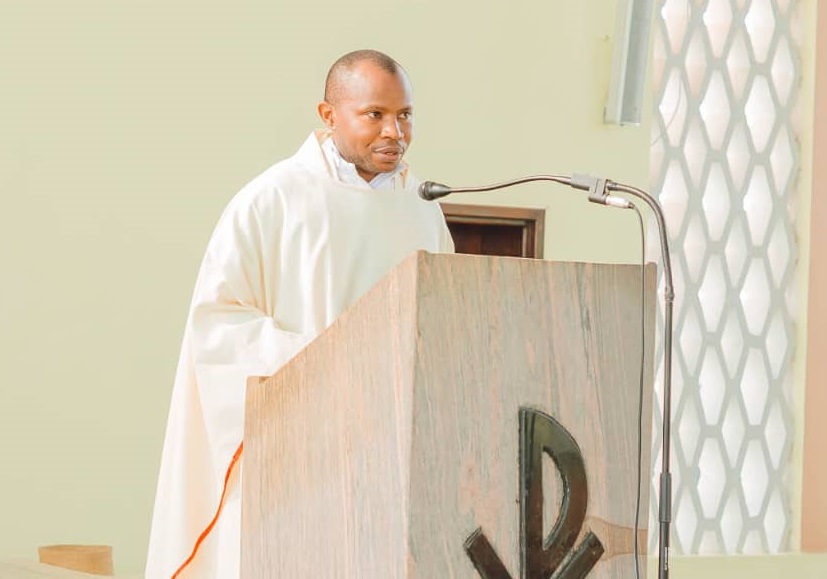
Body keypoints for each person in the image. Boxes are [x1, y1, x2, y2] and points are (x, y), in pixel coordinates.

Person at [145, 49, 454, 578]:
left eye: (404, 115)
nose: (394, 132)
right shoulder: (273, 200)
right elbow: (218, 324)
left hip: (393, 450)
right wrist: (330, 361)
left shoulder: (422, 207)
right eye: (374, 114)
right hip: (298, 442)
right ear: (329, 114)